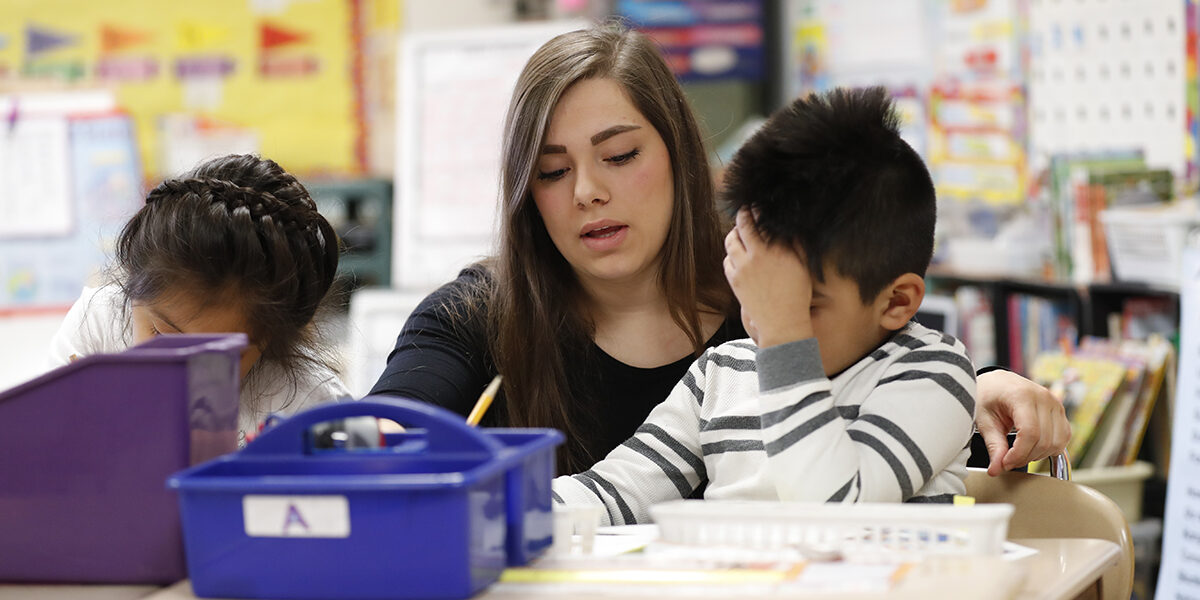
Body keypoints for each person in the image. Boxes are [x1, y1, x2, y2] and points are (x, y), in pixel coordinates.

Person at [369, 22, 1068, 477]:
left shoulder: (782, 292)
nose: (586, 191)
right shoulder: (474, 319)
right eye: (551, 172)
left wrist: (984, 389)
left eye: (619, 155)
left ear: (680, 155)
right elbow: (375, 440)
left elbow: (900, 395)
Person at [553, 86, 974, 524]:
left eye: (798, 305)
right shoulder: (723, 374)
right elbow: (615, 493)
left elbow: (836, 510)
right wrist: (509, 504)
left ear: (897, 301)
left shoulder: (932, 373)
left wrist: (785, 336)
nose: (759, 322)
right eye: (752, 291)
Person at [48, 154, 350, 439]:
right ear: (133, 284)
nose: (184, 374)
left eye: (218, 356)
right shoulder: (99, 329)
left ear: (270, 337)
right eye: (162, 334)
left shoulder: (309, 406)